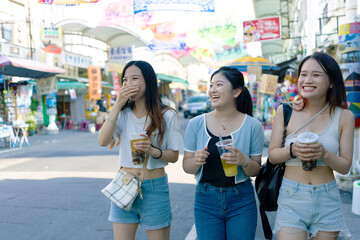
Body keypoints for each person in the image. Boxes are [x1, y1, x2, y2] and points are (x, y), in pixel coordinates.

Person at [269, 52, 354, 240]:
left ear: (331, 81)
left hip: (327, 198)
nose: (307, 80)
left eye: (316, 75)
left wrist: (324, 153)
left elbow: (345, 166)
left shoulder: (344, 116)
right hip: (292, 196)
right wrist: (292, 150)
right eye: (303, 74)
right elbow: (273, 155)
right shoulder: (285, 110)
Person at [98, 60, 183, 240]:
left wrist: (153, 151)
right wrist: (117, 105)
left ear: (149, 81)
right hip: (125, 183)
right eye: (125, 80)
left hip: (154, 187)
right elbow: (103, 141)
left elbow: (174, 156)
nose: (128, 83)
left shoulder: (167, 115)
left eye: (134, 78)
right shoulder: (122, 113)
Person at [183, 66, 264, 240]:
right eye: (211, 85)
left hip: (241, 199)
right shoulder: (196, 124)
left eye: (219, 85)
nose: (212, 90)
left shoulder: (253, 126)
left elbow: (256, 170)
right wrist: (196, 160)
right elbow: (187, 166)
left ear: (236, 91)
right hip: (206, 199)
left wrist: (244, 161)